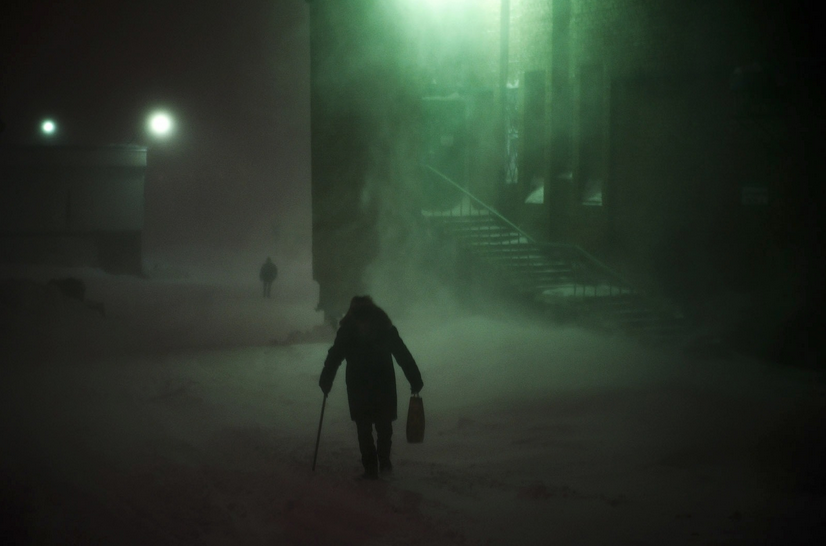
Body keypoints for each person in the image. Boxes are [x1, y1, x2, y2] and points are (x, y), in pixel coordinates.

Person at [319, 296, 423, 479]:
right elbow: (402, 354)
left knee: (363, 427)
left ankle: (370, 467)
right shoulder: (385, 328)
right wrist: (414, 379)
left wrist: (326, 380)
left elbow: (334, 357)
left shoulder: (348, 330)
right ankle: (384, 461)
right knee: (384, 426)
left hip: (358, 385)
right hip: (384, 383)